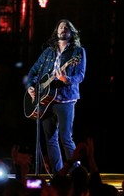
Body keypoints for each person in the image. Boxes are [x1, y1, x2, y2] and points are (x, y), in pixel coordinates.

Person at [25, 19, 87, 174]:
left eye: (66, 27)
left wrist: (67, 79)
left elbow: (80, 75)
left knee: (66, 137)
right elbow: (33, 72)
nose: (62, 29)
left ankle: (75, 173)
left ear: (71, 32)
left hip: (66, 99)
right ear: (56, 31)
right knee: (50, 139)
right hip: (46, 101)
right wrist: (31, 87)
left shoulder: (78, 52)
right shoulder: (48, 52)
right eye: (60, 27)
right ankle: (58, 173)